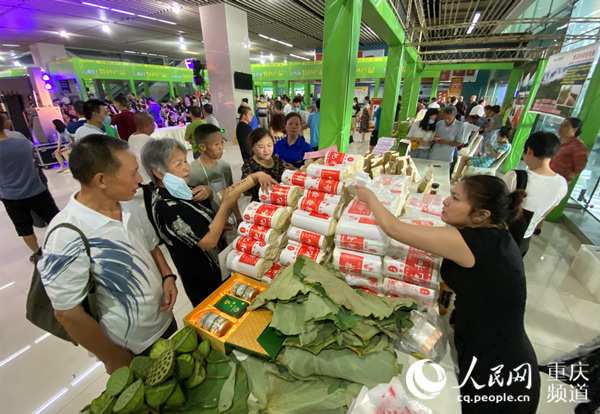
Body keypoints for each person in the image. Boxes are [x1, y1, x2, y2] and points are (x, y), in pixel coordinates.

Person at [355, 176, 540, 414]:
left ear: (481, 215)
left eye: (455, 198)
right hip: (495, 347)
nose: (445, 201)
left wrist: (370, 197)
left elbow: (394, 229)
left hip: (498, 367)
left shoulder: (471, 242)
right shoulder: (495, 232)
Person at [38, 134, 178, 373]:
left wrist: (167, 276)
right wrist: (113, 358)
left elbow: (151, 245)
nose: (139, 178)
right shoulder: (66, 235)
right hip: (130, 345)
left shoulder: (128, 204)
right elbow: (67, 312)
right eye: (133, 172)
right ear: (101, 179)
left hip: (163, 319)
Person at [142, 138, 238, 307]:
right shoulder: (166, 206)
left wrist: (208, 195)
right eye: (178, 164)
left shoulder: (182, 188)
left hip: (220, 265)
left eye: (185, 161)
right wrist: (225, 206)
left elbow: (199, 221)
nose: (186, 167)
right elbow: (208, 240)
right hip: (203, 278)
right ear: (158, 172)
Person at [0, 113, 60, 259]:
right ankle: (64, 243)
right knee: (54, 218)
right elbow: (32, 160)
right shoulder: (22, 143)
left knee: (24, 227)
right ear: (4, 124)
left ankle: (38, 253)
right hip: (36, 189)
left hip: (10, 196)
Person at [503, 131, 568, 255]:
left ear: (529, 150)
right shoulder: (562, 183)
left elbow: (495, 206)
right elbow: (544, 213)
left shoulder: (517, 176)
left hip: (501, 236)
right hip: (524, 239)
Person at [188, 124, 242, 224]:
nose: (221, 147)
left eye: (222, 142)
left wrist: (238, 217)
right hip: (209, 223)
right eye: (217, 144)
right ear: (202, 146)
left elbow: (231, 193)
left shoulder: (224, 166)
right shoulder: (193, 171)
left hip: (228, 217)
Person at [241, 128, 283, 202]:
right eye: (261, 147)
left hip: (278, 199)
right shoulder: (249, 165)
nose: (266, 150)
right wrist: (257, 175)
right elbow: (244, 189)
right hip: (261, 204)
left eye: (269, 145)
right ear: (252, 147)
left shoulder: (275, 158)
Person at [550, 117, 589, 183]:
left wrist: (566, 173)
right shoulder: (555, 141)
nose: (561, 128)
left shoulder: (579, 147)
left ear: (574, 129)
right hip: (544, 175)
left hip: (560, 180)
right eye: (561, 125)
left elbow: (579, 167)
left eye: (565, 126)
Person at [128, 113, 155, 185]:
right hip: (149, 176)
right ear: (147, 125)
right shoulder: (147, 139)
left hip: (139, 174)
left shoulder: (131, 137)